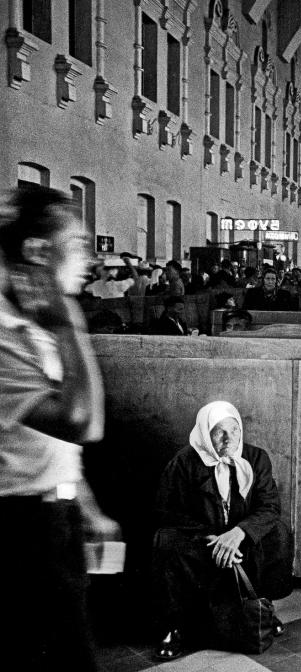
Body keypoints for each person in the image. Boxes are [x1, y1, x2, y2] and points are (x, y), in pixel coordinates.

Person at [0, 184, 119, 671]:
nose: (89, 259)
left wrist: (85, 508)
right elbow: (80, 420)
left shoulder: (30, 323)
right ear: (37, 251)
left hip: (52, 519)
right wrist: (70, 315)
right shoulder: (4, 334)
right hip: (16, 531)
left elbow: (49, 441)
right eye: (76, 243)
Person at [152, 401, 293, 661]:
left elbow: (269, 506)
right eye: (220, 431)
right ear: (206, 432)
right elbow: (167, 510)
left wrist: (239, 533)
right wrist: (211, 537)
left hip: (240, 538)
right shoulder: (183, 462)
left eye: (235, 430)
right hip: (203, 540)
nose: (229, 439)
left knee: (279, 534)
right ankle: (174, 626)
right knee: (166, 542)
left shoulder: (256, 458)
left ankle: (263, 609)